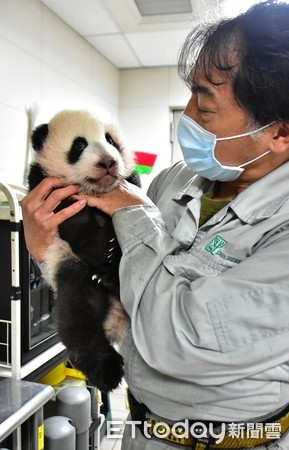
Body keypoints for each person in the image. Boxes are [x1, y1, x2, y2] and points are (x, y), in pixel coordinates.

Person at [21, 1, 289, 448]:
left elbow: (181, 341)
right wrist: (44, 246)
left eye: (205, 107)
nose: (187, 114)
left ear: (279, 133)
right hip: (143, 429)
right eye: (190, 94)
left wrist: (129, 209)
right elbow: (112, 280)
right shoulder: (174, 180)